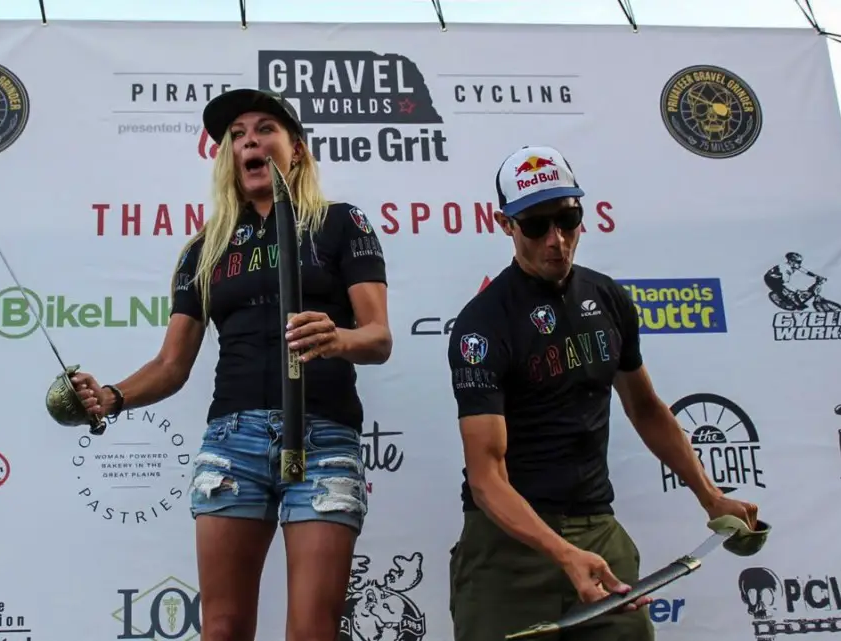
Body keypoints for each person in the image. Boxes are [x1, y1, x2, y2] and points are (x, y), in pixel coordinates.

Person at [69, 88, 393, 641]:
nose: (249, 141)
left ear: (296, 149)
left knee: (315, 629)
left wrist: (338, 338)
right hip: (232, 442)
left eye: (265, 129)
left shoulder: (341, 224)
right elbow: (172, 364)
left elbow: (379, 337)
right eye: (237, 135)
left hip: (323, 438)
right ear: (227, 157)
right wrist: (113, 396)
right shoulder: (206, 248)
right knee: (222, 627)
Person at [445, 145, 761, 641]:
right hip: (508, 550)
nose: (557, 239)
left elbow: (646, 408)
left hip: (599, 531)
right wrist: (562, 553)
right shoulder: (481, 325)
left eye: (569, 218)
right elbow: (487, 479)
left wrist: (710, 496)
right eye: (536, 225)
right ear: (504, 223)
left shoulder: (608, 297)